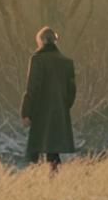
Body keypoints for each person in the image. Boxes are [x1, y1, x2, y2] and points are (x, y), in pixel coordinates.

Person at [20, 26, 76, 174]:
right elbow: (71, 92)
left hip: (40, 112)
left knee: (34, 150)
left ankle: (32, 179)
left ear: (42, 41)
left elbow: (32, 88)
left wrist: (26, 112)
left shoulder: (37, 59)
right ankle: (54, 180)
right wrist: (62, 107)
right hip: (59, 112)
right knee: (53, 151)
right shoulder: (67, 62)